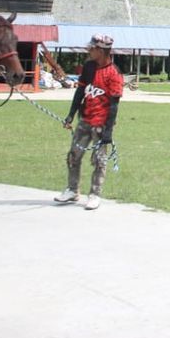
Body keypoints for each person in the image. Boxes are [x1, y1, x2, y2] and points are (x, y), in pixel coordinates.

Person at [54, 33, 124, 211]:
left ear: (101, 50)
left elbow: (114, 106)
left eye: (92, 48)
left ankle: (95, 194)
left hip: (101, 124)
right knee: (73, 156)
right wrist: (71, 115)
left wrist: (108, 131)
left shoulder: (114, 73)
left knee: (99, 160)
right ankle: (72, 190)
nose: (89, 51)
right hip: (85, 120)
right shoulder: (88, 67)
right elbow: (80, 92)